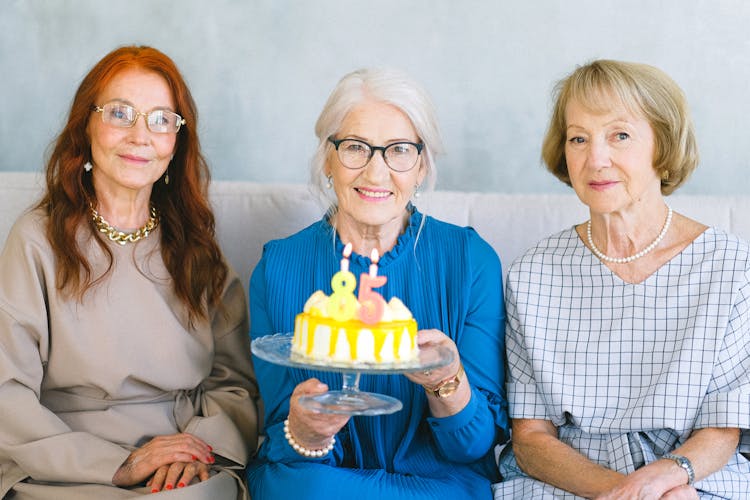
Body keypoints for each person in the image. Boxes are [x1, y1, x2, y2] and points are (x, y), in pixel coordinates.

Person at [0, 45, 258, 499]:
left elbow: (234, 380)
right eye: (121, 113)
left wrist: (196, 452)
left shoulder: (195, 243)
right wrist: (117, 464)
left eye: (161, 119)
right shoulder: (35, 239)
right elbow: (7, 392)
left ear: (176, 143)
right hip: (65, 464)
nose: (141, 135)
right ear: (86, 126)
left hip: (184, 462)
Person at [247, 68, 509, 499]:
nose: (375, 172)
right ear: (328, 159)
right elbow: (283, 441)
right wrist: (307, 432)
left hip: (439, 486)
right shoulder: (278, 267)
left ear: (421, 165)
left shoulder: (470, 261)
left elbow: (473, 447)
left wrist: (446, 380)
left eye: (399, 150)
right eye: (355, 148)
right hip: (320, 483)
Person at [494, 59, 750, 499]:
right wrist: (621, 492)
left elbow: (722, 427)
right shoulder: (532, 273)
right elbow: (532, 439)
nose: (596, 159)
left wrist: (664, 482)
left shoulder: (730, 265)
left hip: (693, 474)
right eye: (578, 139)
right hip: (569, 479)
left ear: (662, 145)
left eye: (620, 136)